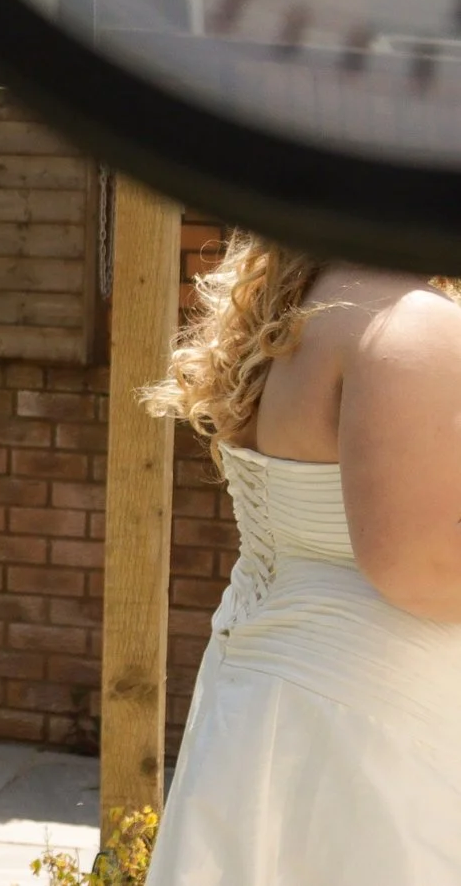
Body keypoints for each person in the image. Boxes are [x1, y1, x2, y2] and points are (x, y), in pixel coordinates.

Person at [142, 235, 461, 885]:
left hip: (268, 704)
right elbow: (416, 564)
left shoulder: (303, 306)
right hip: (374, 733)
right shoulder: (409, 322)